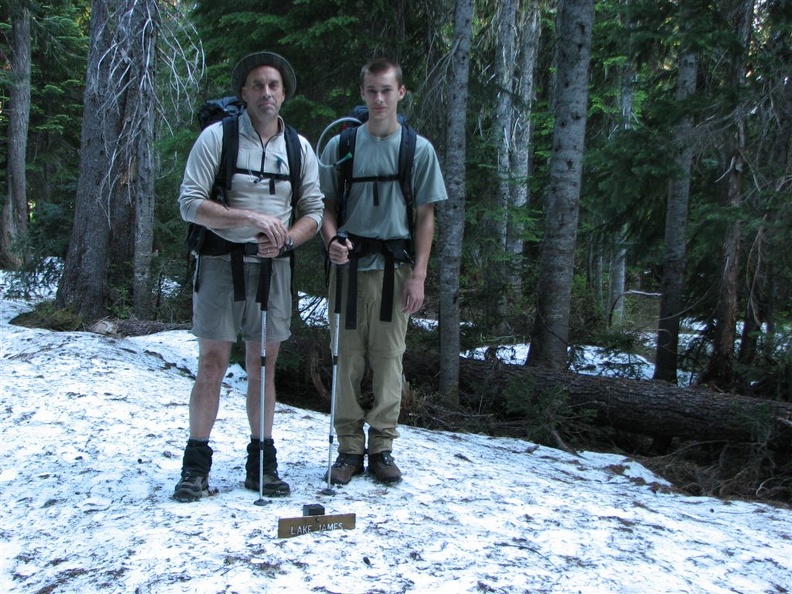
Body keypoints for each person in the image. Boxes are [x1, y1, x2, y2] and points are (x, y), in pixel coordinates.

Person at [173, 52, 324, 502]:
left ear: (284, 93)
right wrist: (247, 219)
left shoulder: (298, 148)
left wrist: (287, 240)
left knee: (263, 364)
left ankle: (262, 462)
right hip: (220, 263)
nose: (266, 93)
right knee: (212, 363)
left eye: (273, 85)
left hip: (273, 269)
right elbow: (189, 203)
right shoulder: (217, 139)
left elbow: (313, 212)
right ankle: (195, 465)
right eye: (257, 85)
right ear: (243, 93)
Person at [319, 57, 447, 485]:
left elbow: (426, 216)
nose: (378, 99)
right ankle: (349, 449)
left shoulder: (417, 149)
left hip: (396, 271)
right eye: (371, 90)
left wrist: (420, 275)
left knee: (390, 362)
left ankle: (382, 448)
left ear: (401, 92)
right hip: (349, 270)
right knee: (347, 361)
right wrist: (332, 241)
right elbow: (327, 208)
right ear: (362, 93)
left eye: (386, 90)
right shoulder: (342, 146)